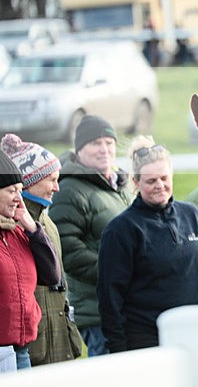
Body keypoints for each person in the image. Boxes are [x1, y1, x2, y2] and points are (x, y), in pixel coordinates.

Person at [97, 136, 198, 352]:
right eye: (151, 181)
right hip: (148, 340)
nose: (160, 186)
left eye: (164, 178)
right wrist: (117, 347)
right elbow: (110, 296)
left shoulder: (194, 216)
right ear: (136, 182)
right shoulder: (121, 230)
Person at [49, 115, 133, 357]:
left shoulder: (119, 185)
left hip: (125, 303)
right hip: (97, 310)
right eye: (96, 143)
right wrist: (116, 272)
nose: (104, 149)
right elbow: (68, 250)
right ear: (80, 149)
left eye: (109, 142)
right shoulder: (69, 190)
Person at [1, 134, 83, 365]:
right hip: (23, 348)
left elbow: (53, 277)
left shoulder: (33, 227)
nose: (57, 188)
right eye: (51, 179)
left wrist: (33, 229)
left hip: (31, 348)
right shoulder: (13, 226)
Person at [0, 151, 60, 371]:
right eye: (11, 191)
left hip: (21, 352)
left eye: (20, 190)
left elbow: (51, 276)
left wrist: (32, 227)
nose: (19, 198)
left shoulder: (17, 232)